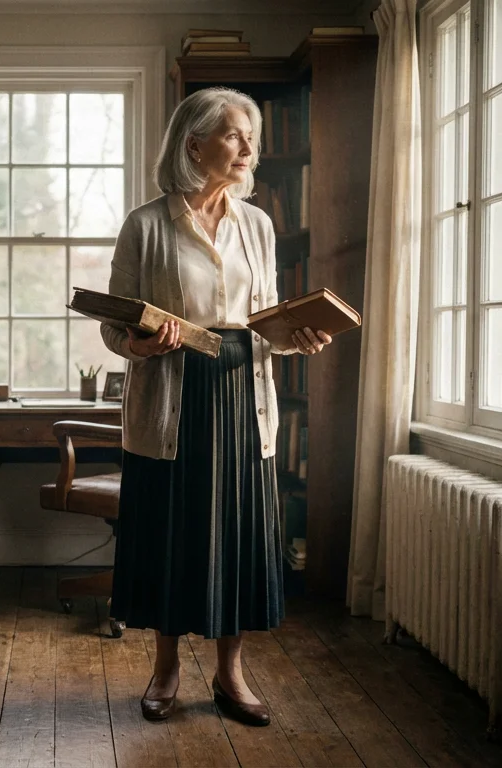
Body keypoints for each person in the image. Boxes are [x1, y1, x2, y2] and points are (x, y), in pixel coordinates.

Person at [101, 86, 332, 726]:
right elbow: (113, 329)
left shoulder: (258, 224)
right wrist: (141, 343)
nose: (247, 146)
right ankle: (166, 670)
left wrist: (298, 338)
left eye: (249, 135)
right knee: (173, 535)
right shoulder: (146, 225)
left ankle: (232, 675)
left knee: (238, 536)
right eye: (233, 133)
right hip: (173, 402)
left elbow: (266, 321)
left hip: (244, 400)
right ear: (194, 143)